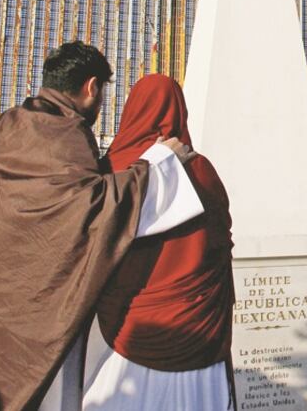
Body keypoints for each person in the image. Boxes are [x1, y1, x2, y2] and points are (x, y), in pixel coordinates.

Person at [0, 41, 203, 410]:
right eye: (103, 93)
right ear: (91, 87)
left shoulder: (7, 125)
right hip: (36, 311)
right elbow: (87, 212)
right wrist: (157, 167)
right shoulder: (65, 133)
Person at [82, 74, 235, 410]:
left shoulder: (109, 172)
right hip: (198, 334)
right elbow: (221, 241)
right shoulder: (202, 170)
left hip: (124, 335)